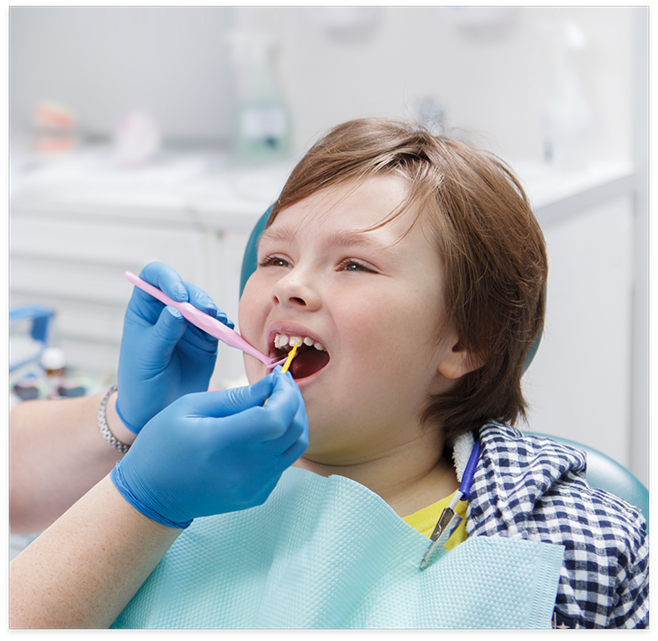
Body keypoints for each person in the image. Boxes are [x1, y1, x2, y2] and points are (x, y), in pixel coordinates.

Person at [9, 119, 648, 629]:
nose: (291, 285)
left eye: (354, 265)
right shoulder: (139, 486)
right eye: (276, 257)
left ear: (466, 340)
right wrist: (131, 457)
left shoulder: (573, 549)